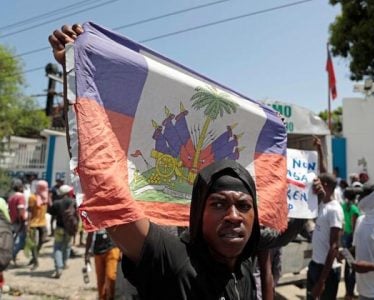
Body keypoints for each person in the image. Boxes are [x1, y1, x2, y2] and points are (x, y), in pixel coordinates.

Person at [48, 24, 326, 299]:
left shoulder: (242, 266)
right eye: (218, 204)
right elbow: (102, 182)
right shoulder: (173, 261)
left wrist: (310, 200)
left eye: (243, 206)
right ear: (196, 213)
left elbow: (280, 235)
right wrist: (76, 72)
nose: (233, 215)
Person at [306, 173, 343, 300]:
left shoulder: (334, 210)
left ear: (325, 185)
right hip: (315, 265)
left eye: (317, 183)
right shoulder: (322, 204)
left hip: (327, 271)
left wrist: (322, 281)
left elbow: (334, 246)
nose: (313, 186)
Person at [48, 184, 78, 278]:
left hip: (59, 228)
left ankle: (58, 268)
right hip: (69, 229)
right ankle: (64, 263)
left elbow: (51, 212)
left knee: (57, 248)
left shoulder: (57, 203)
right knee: (67, 246)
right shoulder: (73, 202)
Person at [85, 229, 121, 300]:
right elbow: (90, 233)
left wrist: (122, 249)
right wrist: (86, 253)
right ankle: (102, 298)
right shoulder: (93, 218)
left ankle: (111, 297)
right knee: (100, 281)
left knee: (111, 276)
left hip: (112, 248)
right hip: (98, 251)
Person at [341, 184, 361, 300]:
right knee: (353, 266)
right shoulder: (354, 209)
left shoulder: (343, 206)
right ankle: (350, 293)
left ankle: (347, 292)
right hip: (351, 238)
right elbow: (355, 228)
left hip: (345, 237)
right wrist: (355, 243)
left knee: (347, 266)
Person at [27, 180, 51, 270]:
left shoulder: (46, 197)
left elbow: (49, 208)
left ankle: (34, 257)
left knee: (41, 241)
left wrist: (49, 197)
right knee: (33, 243)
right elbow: (29, 211)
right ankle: (36, 262)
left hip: (42, 222)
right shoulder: (32, 197)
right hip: (33, 223)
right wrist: (28, 224)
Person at [8, 179, 27, 264]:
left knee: (15, 240)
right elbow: (21, 211)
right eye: (22, 186)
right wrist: (23, 221)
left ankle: (12, 256)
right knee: (21, 241)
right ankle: (12, 255)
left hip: (12, 221)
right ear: (19, 187)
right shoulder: (20, 197)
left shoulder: (11, 197)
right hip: (19, 222)